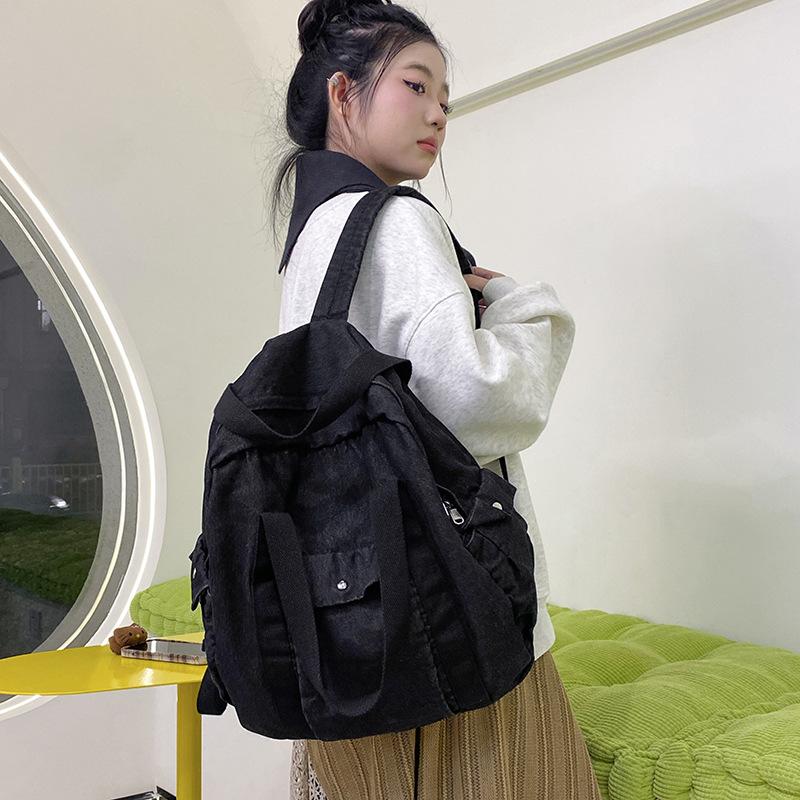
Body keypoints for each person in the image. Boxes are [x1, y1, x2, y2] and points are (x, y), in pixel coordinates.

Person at [268, 1, 601, 798]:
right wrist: (527, 309)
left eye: (445, 97)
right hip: (449, 602)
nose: (438, 114)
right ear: (342, 95)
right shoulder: (397, 222)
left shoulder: (312, 235)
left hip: (350, 603)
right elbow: (474, 403)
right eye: (415, 86)